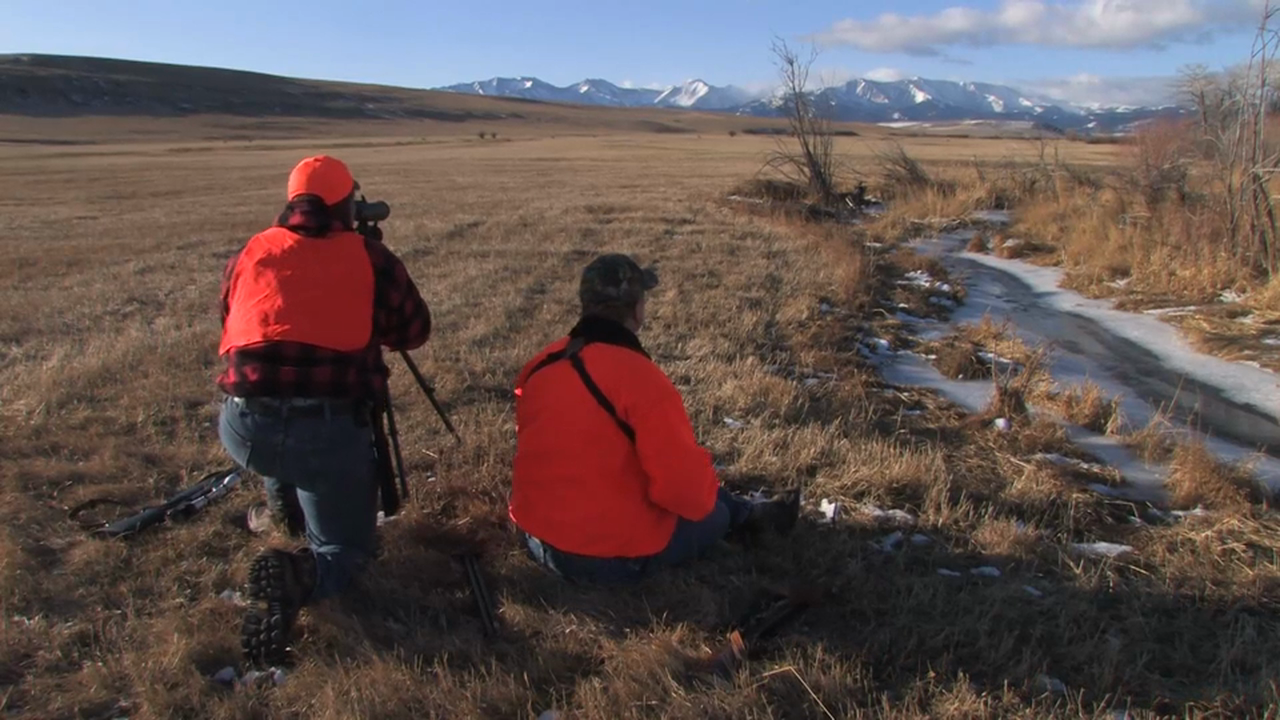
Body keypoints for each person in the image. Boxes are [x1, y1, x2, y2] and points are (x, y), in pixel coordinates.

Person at [215, 154, 431, 666]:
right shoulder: (370, 259)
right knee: (348, 551)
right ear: (344, 205)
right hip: (325, 435)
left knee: (283, 443)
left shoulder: (253, 250)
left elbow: (229, 316)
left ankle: (286, 516)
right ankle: (302, 574)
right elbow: (413, 332)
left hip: (244, 428)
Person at [508, 253, 800, 585]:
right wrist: (705, 494)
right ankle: (745, 515)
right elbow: (684, 493)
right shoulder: (641, 380)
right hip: (600, 558)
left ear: (585, 304)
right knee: (714, 513)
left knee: (695, 489)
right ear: (637, 310)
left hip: (537, 538)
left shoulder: (542, 364)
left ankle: (745, 510)